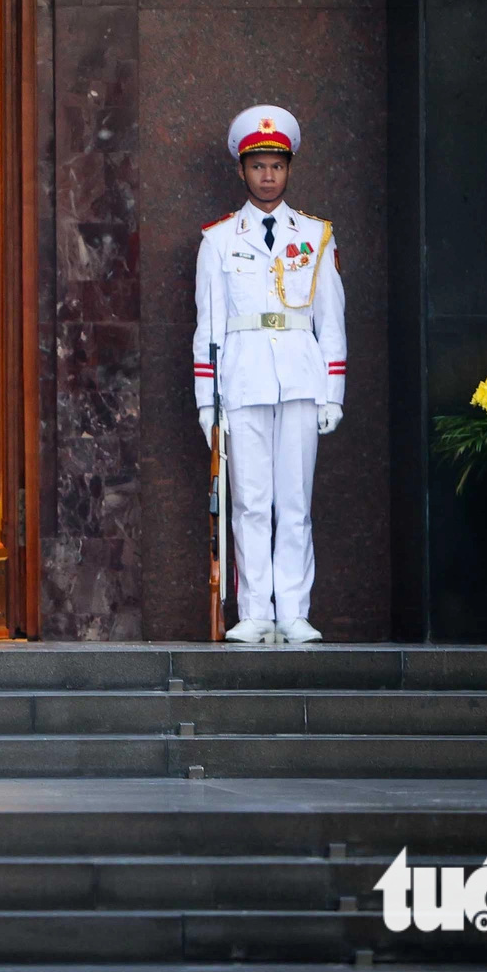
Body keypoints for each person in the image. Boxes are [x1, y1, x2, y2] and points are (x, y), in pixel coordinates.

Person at [193, 105, 345, 644]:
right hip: (243, 381)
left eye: (276, 165)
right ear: (242, 170)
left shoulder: (316, 235)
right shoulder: (217, 240)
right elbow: (207, 326)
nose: (267, 176)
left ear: (288, 169)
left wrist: (334, 392)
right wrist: (207, 401)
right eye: (257, 165)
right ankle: (255, 609)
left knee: (295, 503)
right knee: (251, 502)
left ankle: (294, 611)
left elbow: (331, 320)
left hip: (302, 381)